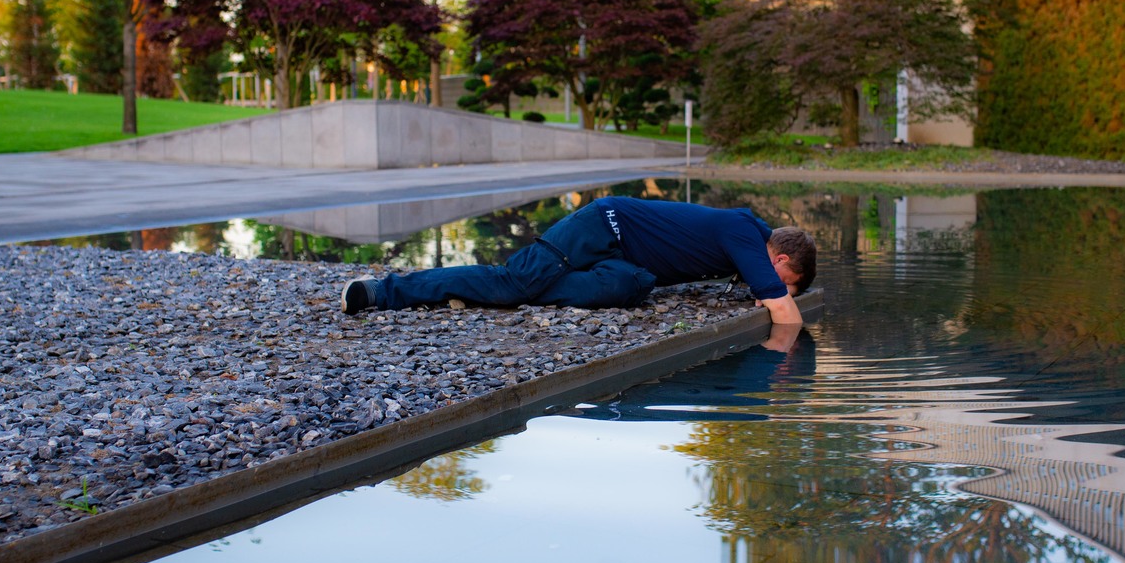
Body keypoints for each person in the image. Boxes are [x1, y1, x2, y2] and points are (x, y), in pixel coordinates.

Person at [341, 196, 816, 325]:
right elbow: (782, 312)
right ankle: (384, 291)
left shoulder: (746, 237)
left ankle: (523, 290)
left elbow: (771, 297)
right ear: (778, 258)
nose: (776, 289)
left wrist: (770, 296)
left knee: (634, 285)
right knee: (511, 285)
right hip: (601, 226)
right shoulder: (743, 232)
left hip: (620, 260)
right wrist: (787, 338)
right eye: (785, 280)